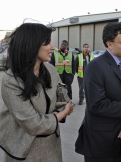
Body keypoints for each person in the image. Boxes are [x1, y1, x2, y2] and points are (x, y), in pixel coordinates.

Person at [75, 21, 121, 162]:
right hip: (99, 141)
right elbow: (97, 105)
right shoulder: (95, 66)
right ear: (110, 44)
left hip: (119, 139)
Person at [0, 23, 74, 161]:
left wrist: (59, 111)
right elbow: (33, 124)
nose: (53, 47)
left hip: (52, 147)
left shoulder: (51, 70)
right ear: (31, 45)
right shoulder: (11, 80)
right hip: (24, 151)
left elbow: (63, 97)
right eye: (47, 42)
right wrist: (62, 114)